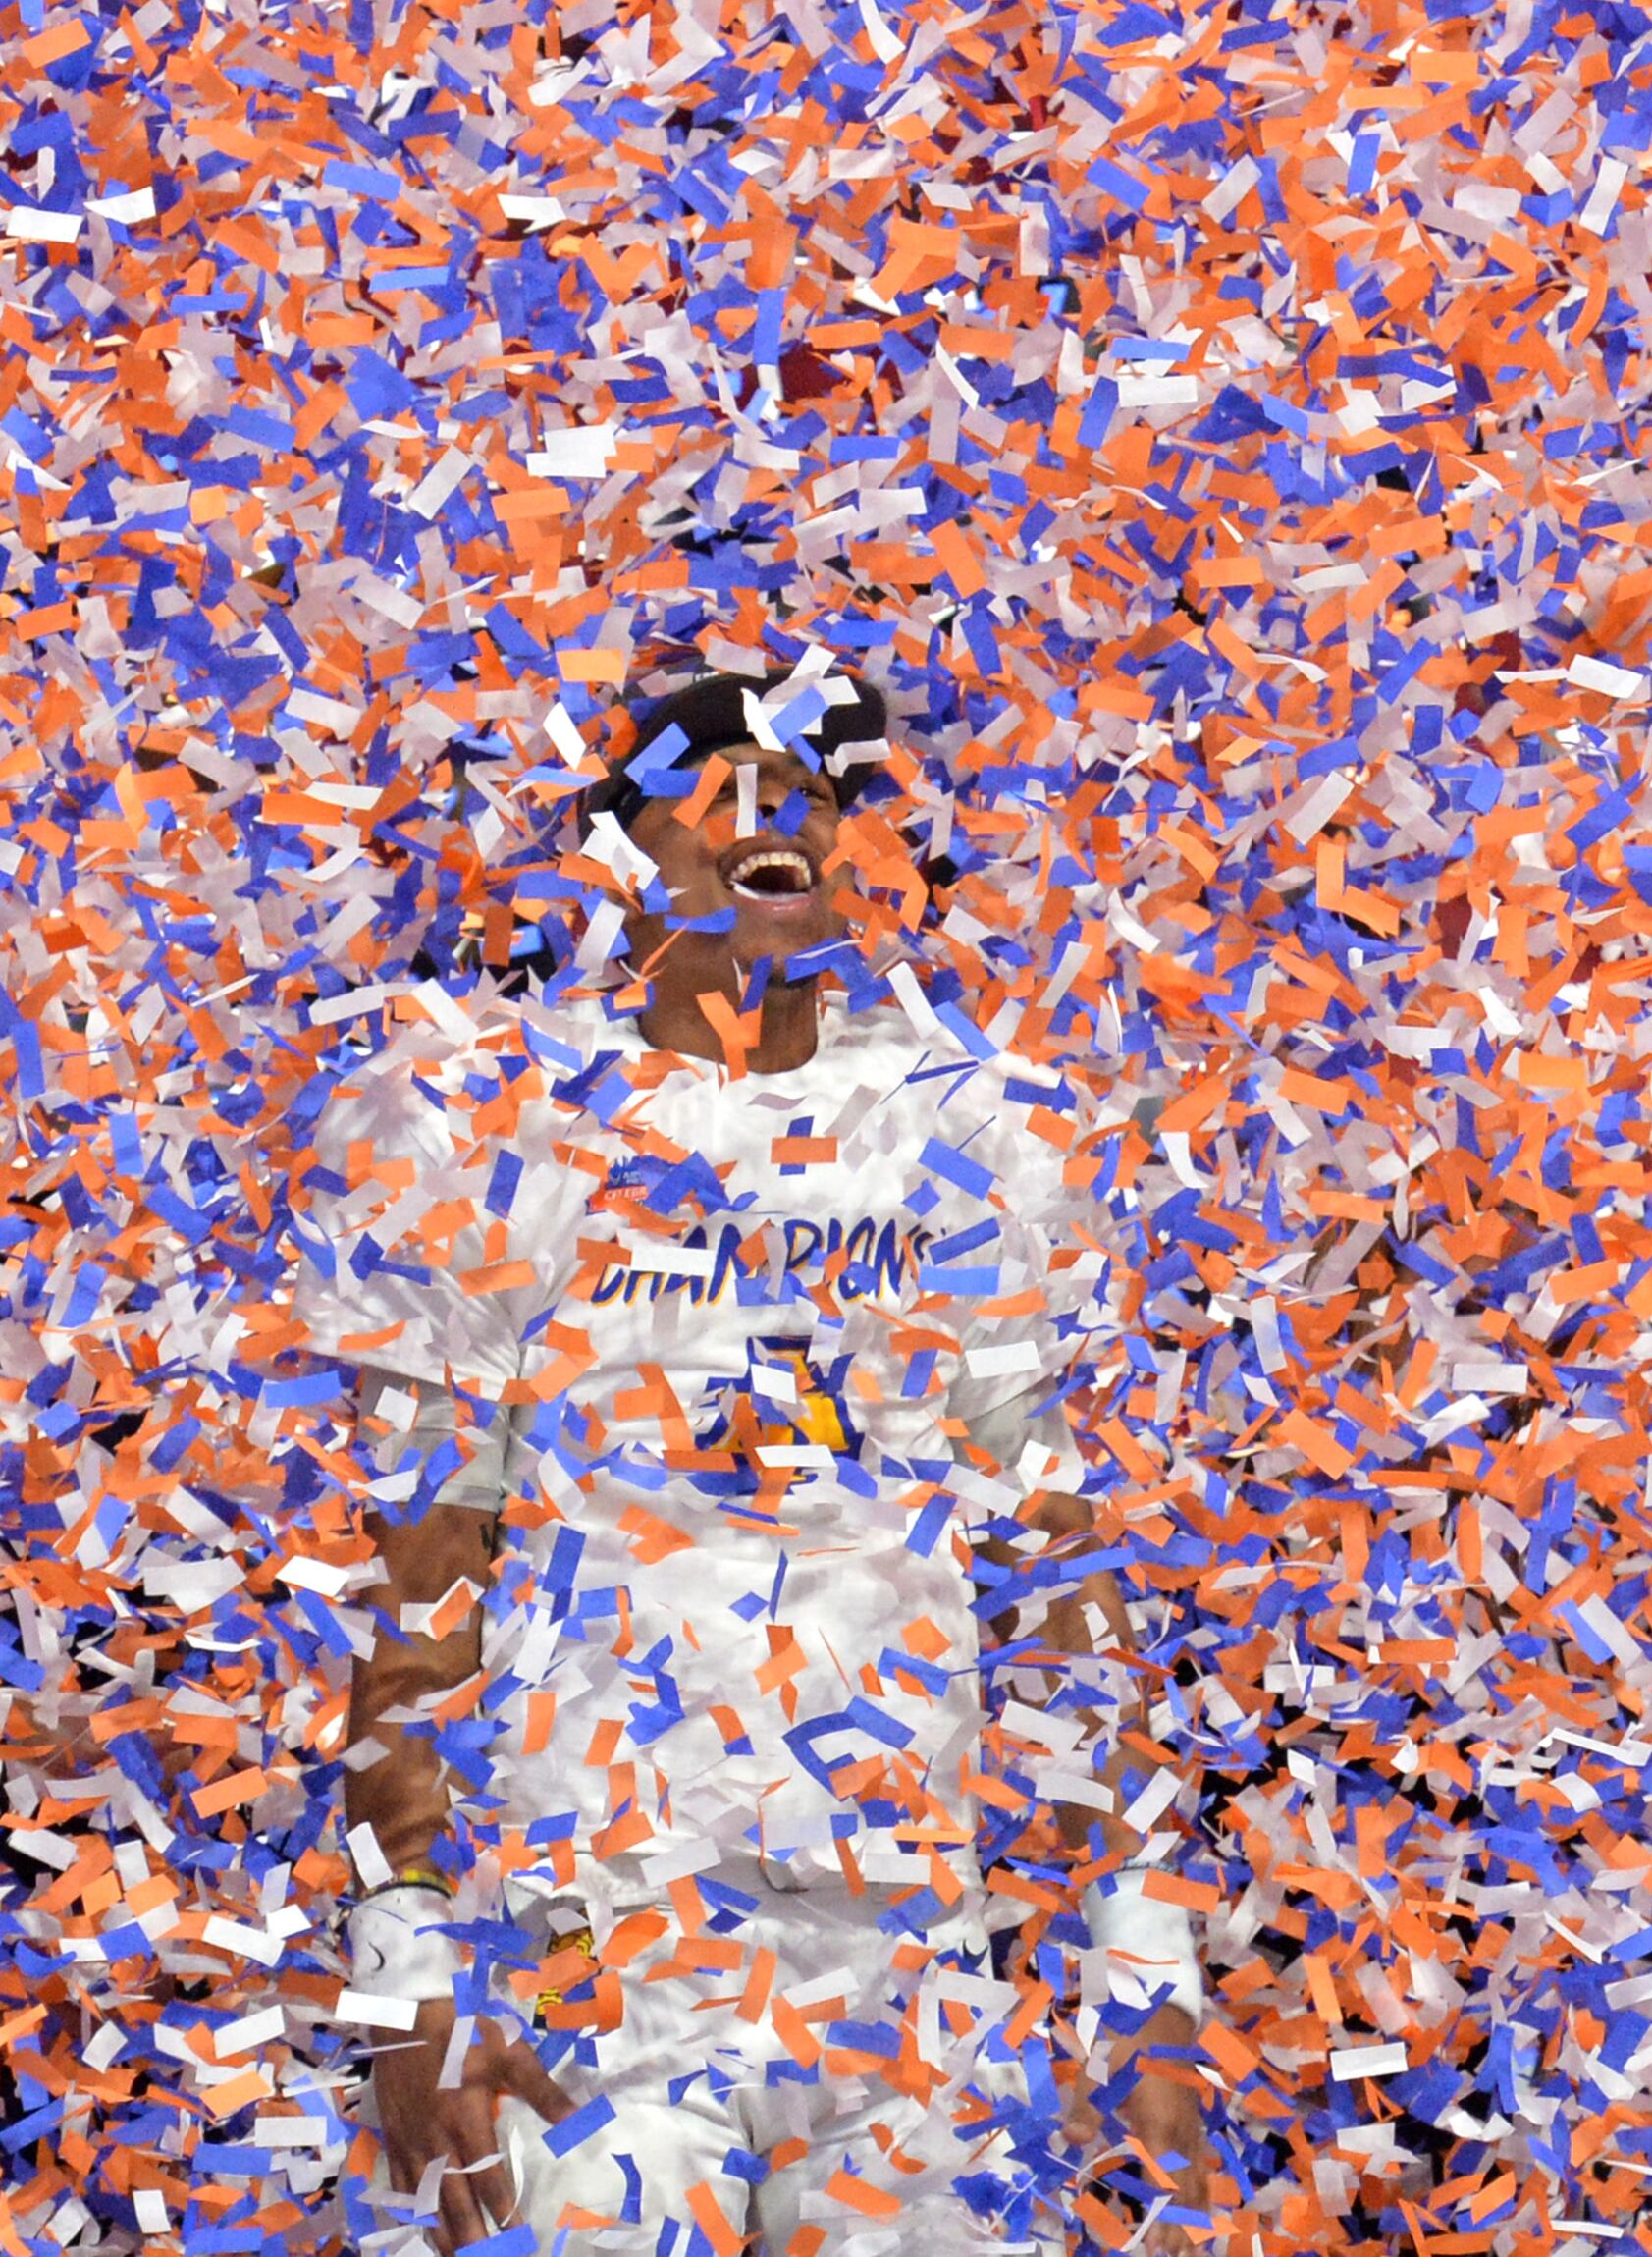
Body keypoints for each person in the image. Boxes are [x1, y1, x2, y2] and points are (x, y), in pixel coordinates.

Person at [307, 661, 1217, 2253]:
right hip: (591, 1979)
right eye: (718, 784)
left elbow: (1061, 1568)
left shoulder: (979, 1132)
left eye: (815, 787)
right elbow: (422, 1582)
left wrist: (1141, 1984)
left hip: (908, 1980)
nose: (775, 808)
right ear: (626, 858)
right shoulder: (493, 1120)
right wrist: (408, 1982)